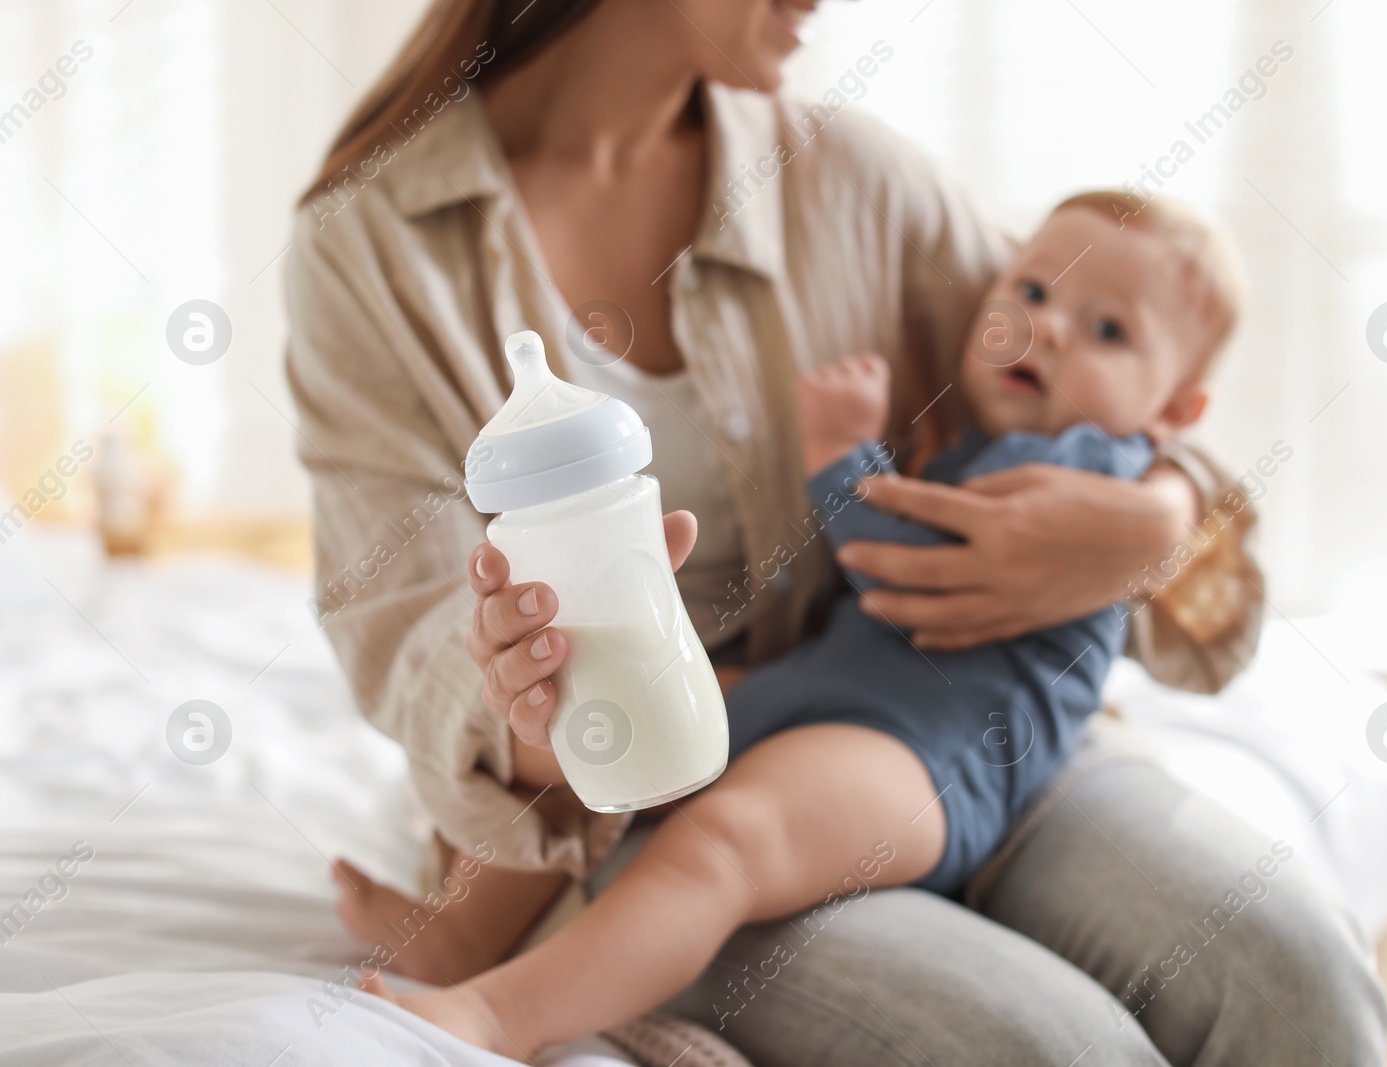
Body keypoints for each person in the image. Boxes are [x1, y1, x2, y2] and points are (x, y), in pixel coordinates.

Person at [285, 0, 1387, 1063]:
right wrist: (554, 707)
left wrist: (1156, 519)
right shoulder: (374, 249)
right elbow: (414, 635)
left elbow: (1128, 340)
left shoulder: (862, 181)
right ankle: (492, 973)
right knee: (1049, 1049)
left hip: (1005, 736)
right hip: (672, 794)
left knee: (1295, 977)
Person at [353, 191, 1247, 1055]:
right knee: (619, 709)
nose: (1048, 327)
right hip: (840, 696)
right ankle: (463, 928)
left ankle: (500, 1016)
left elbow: (903, 549)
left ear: (1176, 411)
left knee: (727, 839)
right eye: (1034, 292)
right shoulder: (985, 446)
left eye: (1108, 330)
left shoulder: (1086, 466)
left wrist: (838, 457)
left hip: (929, 752)